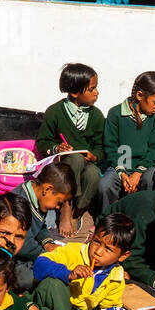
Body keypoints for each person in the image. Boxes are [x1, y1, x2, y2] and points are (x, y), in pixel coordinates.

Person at [32, 212, 150, 310]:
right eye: (96, 242)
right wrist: (68, 274)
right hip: (55, 307)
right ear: (91, 236)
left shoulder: (116, 274)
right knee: (53, 284)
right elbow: (39, 265)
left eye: (108, 249)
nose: (98, 251)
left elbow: (110, 307)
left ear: (123, 256)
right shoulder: (73, 251)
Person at [35, 62, 105, 235]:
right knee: (74, 158)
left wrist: (94, 156)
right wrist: (57, 148)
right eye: (91, 89)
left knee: (93, 174)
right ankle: (66, 207)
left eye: (96, 88)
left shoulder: (96, 116)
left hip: (87, 165)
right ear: (75, 93)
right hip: (64, 167)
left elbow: (101, 147)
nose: (96, 93)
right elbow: (42, 142)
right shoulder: (55, 112)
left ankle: (77, 212)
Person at [98, 71, 155, 210]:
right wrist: (122, 173)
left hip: (145, 169)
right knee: (105, 185)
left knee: (149, 180)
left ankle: (142, 219)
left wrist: (137, 173)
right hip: (119, 167)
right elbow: (111, 147)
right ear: (140, 95)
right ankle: (106, 220)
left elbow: (154, 150)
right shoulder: (115, 114)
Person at [6, 162, 76, 292]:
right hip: (9, 258)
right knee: (38, 277)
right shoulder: (18, 203)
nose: (57, 208)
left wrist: (48, 243)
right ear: (48, 189)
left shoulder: (39, 199)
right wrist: (44, 255)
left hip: (27, 256)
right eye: (58, 202)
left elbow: (40, 226)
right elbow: (21, 243)